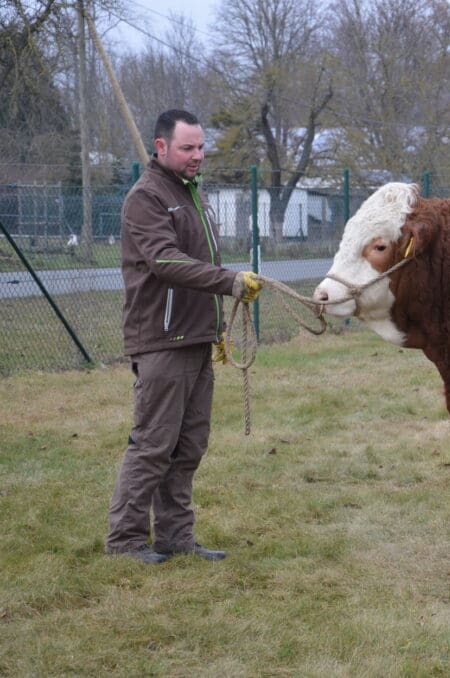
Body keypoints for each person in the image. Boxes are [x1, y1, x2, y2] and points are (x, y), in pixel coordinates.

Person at [106, 109, 262, 564]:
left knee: (189, 445)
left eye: (200, 147)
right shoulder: (146, 198)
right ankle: (125, 541)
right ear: (161, 147)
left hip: (197, 338)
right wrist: (228, 281)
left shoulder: (192, 193)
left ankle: (175, 537)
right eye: (188, 148)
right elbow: (165, 261)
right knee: (153, 445)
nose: (198, 156)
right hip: (161, 338)